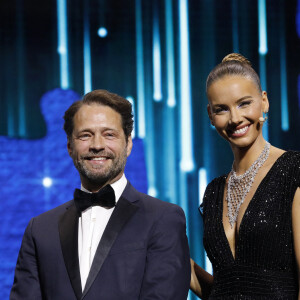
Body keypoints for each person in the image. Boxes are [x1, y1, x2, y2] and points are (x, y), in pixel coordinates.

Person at [10, 89, 191, 300]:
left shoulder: (163, 219)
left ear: (129, 144)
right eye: (85, 135)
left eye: (109, 134)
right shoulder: (39, 229)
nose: (97, 145)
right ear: (69, 146)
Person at [190, 53, 300, 299]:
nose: (235, 118)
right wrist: (178, 262)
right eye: (222, 109)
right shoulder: (214, 191)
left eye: (244, 103)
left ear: (264, 101)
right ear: (210, 115)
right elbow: (225, 289)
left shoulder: (294, 170)